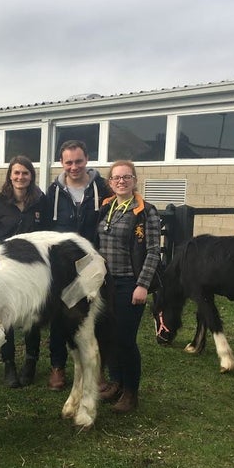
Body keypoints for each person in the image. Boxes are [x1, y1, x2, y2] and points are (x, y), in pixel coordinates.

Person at [95, 160, 161, 413]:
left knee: (125, 340)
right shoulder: (106, 207)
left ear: (135, 180)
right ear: (110, 183)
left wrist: (142, 285)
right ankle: (116, 383)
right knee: (108, 337)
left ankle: (131, 393)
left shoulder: (146, 211)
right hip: (105, 284)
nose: (121, 181)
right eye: (116, 178)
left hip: (129, 283)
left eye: (126, 177)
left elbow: (154, 252)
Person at [46, 139, 111, 390]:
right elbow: (46, 230)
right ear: (61, 163)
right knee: (59, 316)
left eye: (79, 161)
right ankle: (57, 367)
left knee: (93, 316)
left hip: (91, 264)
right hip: (61, 267)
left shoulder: (103, 189)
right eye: (69, 162)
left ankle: (96, 369)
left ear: (87, 160)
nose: (74, 167)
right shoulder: (52, 193)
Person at [0, 155, 48, 387]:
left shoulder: (40, 201)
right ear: (10, 175)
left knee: (32, 316)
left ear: (31, 176)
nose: (20, 177)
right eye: (16, 172)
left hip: (33, 268)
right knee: (6, 317)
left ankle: (30, 363)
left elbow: (47, 233)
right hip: (4, 268)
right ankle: (9, 365)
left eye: (25, 173)